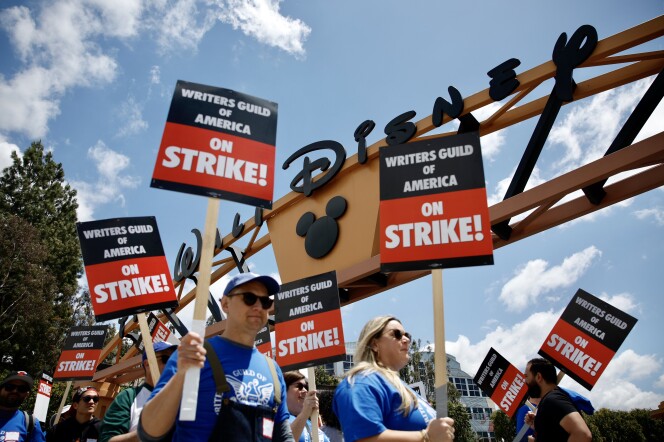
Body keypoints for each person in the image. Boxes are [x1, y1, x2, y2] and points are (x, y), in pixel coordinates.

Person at [138, 272, 294, 441]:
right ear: (225, 303)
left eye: (265, 302)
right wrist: (181, 375)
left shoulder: (273, 370)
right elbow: (149, 431)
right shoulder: (193, 354)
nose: (258, 306)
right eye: (249, 298)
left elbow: (283, 435)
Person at [333, 316, 455, 442]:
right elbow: (363, 438)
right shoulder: (362, 382)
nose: (406, 339)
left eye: (407, 335)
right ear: (375, 344)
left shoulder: (403, 388)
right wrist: (425, 436)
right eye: (397, 334)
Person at [100, 341, 177, 442]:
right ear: (148, 364)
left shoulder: (184, 399)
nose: (173, 364)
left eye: (176, 359)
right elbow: (107, 440)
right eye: (166, 359)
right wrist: (147, 432)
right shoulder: (128, 397)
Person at [523, 358, 592, 442]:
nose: (525, 381)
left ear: (538, 377)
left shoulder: (552, 400)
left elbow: (582, 435)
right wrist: (539, 424)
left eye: (526, 376)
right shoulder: (550, 401)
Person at [283, 371, 330, 442]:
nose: (305, 390)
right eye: (299, 386)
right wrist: (305, 413)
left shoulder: (309, 422)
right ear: (283, 390)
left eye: (305, 387)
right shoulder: (277, 420)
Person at [0, 371, 46, 442]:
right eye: (10, 387)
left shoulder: (30, 423)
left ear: (26, 395)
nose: (15, 391)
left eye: (22, 389)